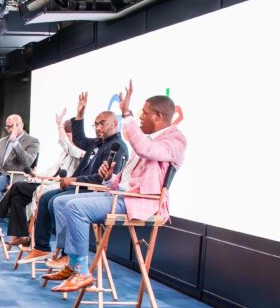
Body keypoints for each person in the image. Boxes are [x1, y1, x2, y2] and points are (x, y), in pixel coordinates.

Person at [49, 82, 186, 292]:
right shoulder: (148, 139)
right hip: (118, 195)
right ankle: (71, 261)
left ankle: (81, 271)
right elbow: (126, 177)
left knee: (76, 208)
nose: (139, 116)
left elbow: (146, 149)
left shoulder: (175, 141)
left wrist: (127, 113)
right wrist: (108, 177)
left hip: (139, 202)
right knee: (61, 201)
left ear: (158, 117)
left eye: (144, 113)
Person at [20, 93, 129, 266]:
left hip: (92, 191)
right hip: (80, 186)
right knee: (46, 198)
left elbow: (102, 179)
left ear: (116, 124)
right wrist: (79, 116)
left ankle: (66, 253)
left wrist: (73, 179)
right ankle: (41, 247)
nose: (98, 128)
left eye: (103, 123)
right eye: (96, 124)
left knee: (57, 201)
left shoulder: (117, 147)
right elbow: (79, 139)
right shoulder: (98, 142)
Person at [0, 111, 85, 245]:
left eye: (69, 135)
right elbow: (52, 170)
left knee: (16, 187)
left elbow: (66, 146)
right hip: (45, 182)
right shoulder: (63, 154)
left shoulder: (81, 152)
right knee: (16, 198)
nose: (66, 139)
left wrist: (60, 126)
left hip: (60, 188)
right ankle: (21, 235)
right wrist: (36, 175)